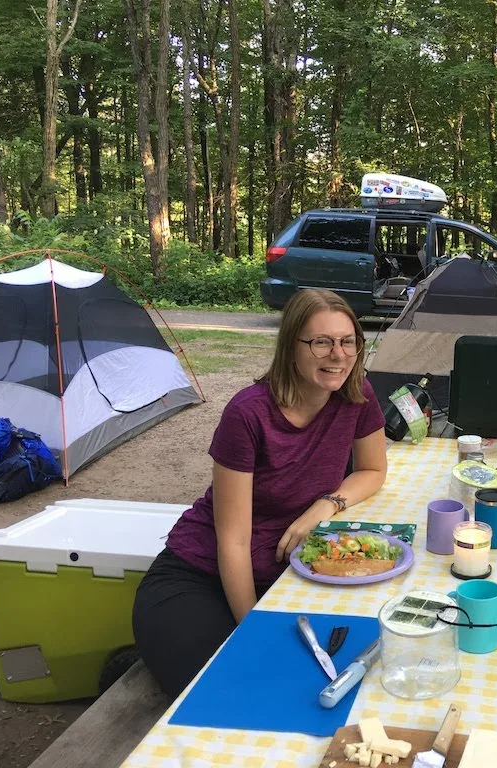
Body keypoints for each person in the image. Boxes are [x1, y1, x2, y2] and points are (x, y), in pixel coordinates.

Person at [132, 289, 387, 697]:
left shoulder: (356, 394)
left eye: (347, 341)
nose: (337, 355)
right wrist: (253, 625)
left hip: (287, 571)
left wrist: (326, 504)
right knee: (223, 690)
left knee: (341, 677)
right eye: (320, 342)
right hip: (201, 575)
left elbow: (373, 470)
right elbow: (232, 540)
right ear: (291, 347)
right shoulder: (248, 413)